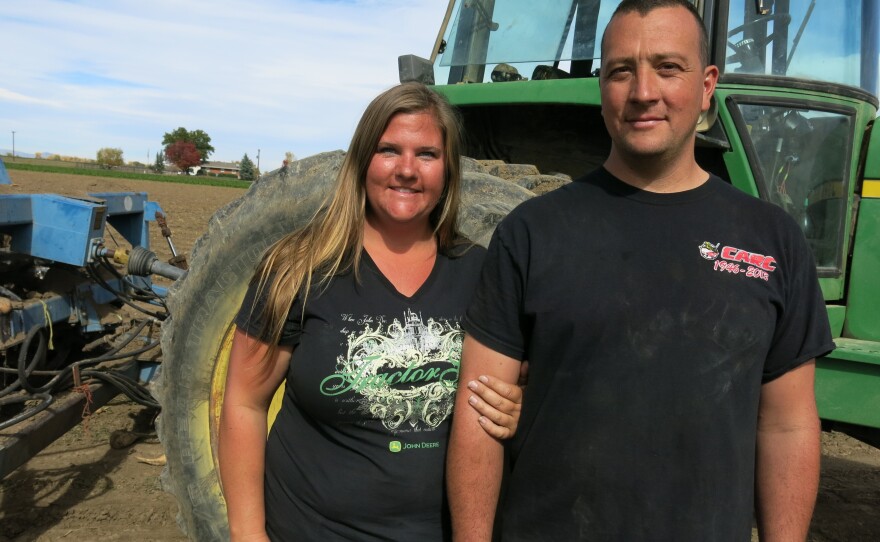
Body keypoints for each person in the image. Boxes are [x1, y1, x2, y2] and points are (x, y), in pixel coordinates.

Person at [446, 1, 835, 541]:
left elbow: (788, 423)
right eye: (621, 71)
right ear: (601, 86)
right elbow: (479, 412)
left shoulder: (773, 241)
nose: (643, 91)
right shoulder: (532, 231)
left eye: (668, 67)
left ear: (706, 86)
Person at [219, 82, 522, 541]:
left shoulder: (484, 275)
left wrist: (520, 409)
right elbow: (244, 402)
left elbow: (517, 392)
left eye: (426, 154)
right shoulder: (297, 268)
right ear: (362, 161)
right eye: (388, 150)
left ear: (448, 170)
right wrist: (247, 535)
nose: (406, 170)